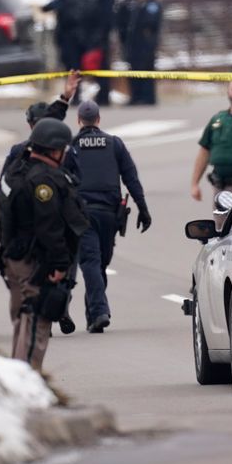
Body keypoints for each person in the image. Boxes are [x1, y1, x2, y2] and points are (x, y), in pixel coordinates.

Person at [0, 118, 89, 369]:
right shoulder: (44, 181)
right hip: (36, 263)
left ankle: (18, 374)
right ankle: (26, 380)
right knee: (36, 323)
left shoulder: (16, 169)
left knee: (22, 321)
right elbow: (49, 227)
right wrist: (60, 263)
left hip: (13, 258)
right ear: (55, 150)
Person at [71, 100, 151, 333]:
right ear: (98, 119)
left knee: (94, 263)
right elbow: (131, 178)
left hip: (82, 214)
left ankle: (95, 312)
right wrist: (143, 208)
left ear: (78, 120)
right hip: (108, 215)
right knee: (97, 262)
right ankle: (98, 312)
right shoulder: (114, 144)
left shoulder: (72, 146)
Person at [190, 80, 232, 201]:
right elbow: (204, 151)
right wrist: (194, 184)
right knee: (221, 220)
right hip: (219, 185)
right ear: (228, 92)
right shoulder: (217, 119)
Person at [78, 0, 115, 105]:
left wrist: (100, 36)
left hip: (101, 37)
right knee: (94, 67)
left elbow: (106, 17)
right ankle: (101, 95)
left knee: (103, 67)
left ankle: (104, 96)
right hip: (90, 36)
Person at [124, 0, 162, 106]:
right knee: (135, 70)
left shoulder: (152, 5)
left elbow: (150, 23)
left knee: (146, 71)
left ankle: (148, 98)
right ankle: (136, 96)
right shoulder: (139, 4)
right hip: (136, 44)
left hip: (147, 44)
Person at [42, 0, 85, 73]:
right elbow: (48, 7)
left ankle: (73, 87)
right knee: (73, 65)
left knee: (71, 65)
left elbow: (47, 8)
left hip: (71, 36)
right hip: (70, 36)